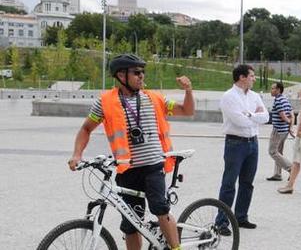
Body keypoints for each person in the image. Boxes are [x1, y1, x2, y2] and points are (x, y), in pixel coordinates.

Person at [67, 54, 195, 250]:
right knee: (131, 223)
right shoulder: (105, 102)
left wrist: (188, 91)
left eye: (143, 72)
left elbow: (186, 111)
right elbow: (86, 129)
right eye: (136, 72)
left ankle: (175, 248)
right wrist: (77, 155)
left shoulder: (154, 98)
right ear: (121, 75)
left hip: (153, 166)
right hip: (127, 170)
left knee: (160, 209)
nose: (142, 76)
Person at [216, 64, 269, 234]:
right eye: (252, 76)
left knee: (247, 183)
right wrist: (254, 116)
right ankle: (221, 221)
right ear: (242, 77)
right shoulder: (229, 97)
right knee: (229, 183)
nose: (254, 79)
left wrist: (250, 115)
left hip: (253, 143)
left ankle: (241, 217)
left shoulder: (254, 96)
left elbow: (266, 117)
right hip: (235, 143)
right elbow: (239, 121)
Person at [266, 82, 294, 181]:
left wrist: (287, 121)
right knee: (279, 153)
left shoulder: (278, 101)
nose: (271, 90)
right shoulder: (285, 99)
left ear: (278, 90)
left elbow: (283, 116)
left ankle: (291, 168)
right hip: (284, 131)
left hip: (277, 130)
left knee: (272, 152)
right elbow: (291, 114)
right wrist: (290, 127)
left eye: (273, 88)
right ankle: (277, 174)